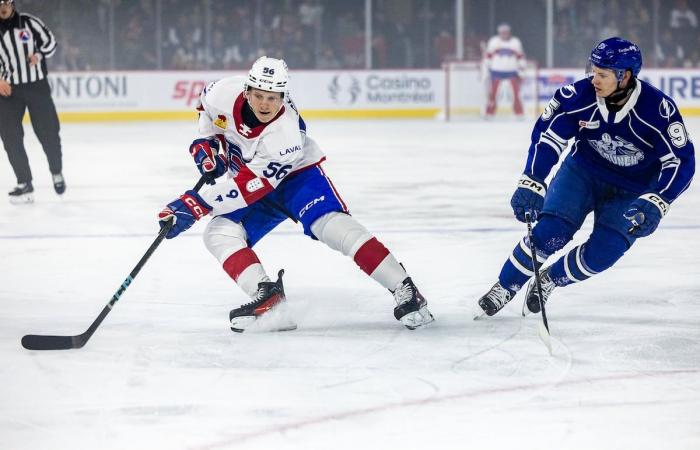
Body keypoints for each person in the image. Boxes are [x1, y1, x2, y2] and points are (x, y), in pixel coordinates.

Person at [157, 56, 435, 332]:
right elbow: (205, 109)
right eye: (259, 96)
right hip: (251, 178)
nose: (266, 104)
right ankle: (268, 298)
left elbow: (250, 186)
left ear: (283, 97)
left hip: (295, 177)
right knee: (219, 233)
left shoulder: (285, 134)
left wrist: (197, 204)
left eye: (273, 98)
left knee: (332, 226)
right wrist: (206, 142)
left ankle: (405, 287)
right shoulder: (222, 91)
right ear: (247, 91)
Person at [475, 37, 695, 318]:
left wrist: (659, 199)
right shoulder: (577, 96)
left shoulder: (657, 111)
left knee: (604, 252)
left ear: (624, 76)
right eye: (593, 71)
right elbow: (548, 137)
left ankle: (550, 279)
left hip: (632, 189)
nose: (594, 79)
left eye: (602, 74)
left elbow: (681, 161)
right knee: (550, 233)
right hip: (582, 173)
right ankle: (505, 285)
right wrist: (533, 178)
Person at [0, 0, 65, 203]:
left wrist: (38, 55)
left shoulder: (29, 23)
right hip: (7, 89)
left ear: (12, 4)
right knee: (10, 136)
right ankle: (25, 183)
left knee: (48, 132)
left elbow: (51, 43)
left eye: (5, 2)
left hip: (36, 85)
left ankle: (56, 172)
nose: (2, 6)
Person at [482, 23, 526, 118]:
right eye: (502, 32)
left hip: (512, 71)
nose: (504, 34)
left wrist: (522, 67)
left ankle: (519, 113)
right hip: (496, 71)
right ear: (499, 33)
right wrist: (486, 68)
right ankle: (489, 113)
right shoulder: (494, 41)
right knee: (493, 93)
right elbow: (488, 56)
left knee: (516, 93)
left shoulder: (515, 42)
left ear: (509, 33)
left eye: (506, 32)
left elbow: (520, 56)